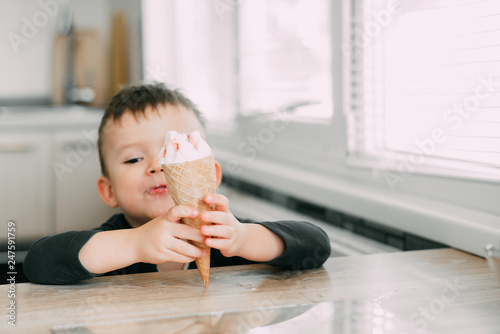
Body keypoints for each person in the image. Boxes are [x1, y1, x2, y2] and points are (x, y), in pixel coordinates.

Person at [24, 83, 331, 285]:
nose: (158, 165)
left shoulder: (222, 235)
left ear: (211, 174)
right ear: (109, 191)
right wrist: (135, 244)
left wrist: (243, 239)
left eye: (177, 151)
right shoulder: (113, 243)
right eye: (133, 159)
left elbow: (316, 245)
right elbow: (37, 262)